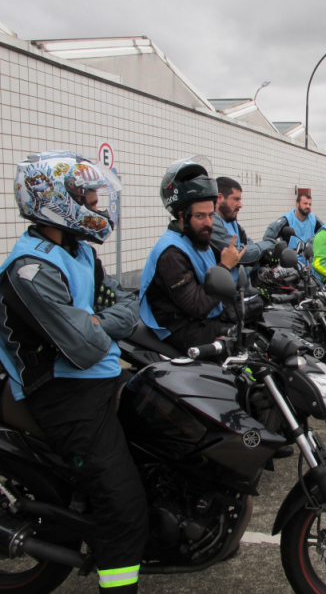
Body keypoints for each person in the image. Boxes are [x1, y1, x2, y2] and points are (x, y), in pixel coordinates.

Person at [0, 151, 147, 593]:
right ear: (55, 200)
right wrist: (100, 325)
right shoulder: (30, 269)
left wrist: (100, 322)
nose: (96, 204)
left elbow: (126, 305)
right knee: (122, 504)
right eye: (86, 194)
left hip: (99, 379)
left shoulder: (78, 251)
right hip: (62, 393)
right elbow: (82, 348)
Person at [139, 156, 245, 354]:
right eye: (199, 216)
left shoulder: (197, 237)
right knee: (239, 343)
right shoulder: (171, 253)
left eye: (210, 215)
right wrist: (225, 267)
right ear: (182, 215)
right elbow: (196, 306)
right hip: (178, 326)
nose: (208, 223)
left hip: (202, 318)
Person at [210, 176, 274, 282]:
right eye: (236, 199)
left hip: (241, 289)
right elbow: (240, 253)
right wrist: (269, 244)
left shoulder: (231, 220)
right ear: (219, 198)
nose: (240, 205)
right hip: (225, 292)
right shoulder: (212, 221)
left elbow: (249, 244)